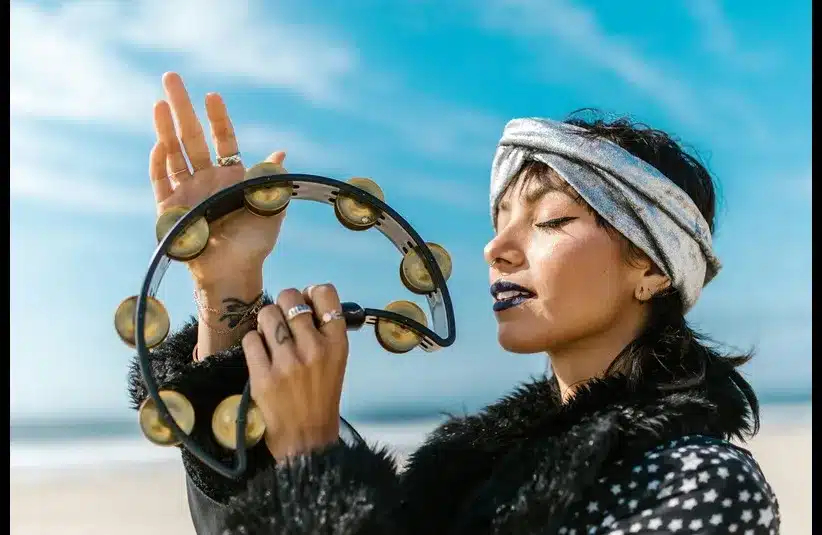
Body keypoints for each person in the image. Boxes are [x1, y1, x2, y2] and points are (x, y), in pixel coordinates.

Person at [128, 72, 780, 534]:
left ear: (651, 268)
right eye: (498, 222)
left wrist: (312, 462)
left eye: (549, 220)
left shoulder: (705, 482)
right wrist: (228, 287)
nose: (497, 248)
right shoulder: (463, 485)